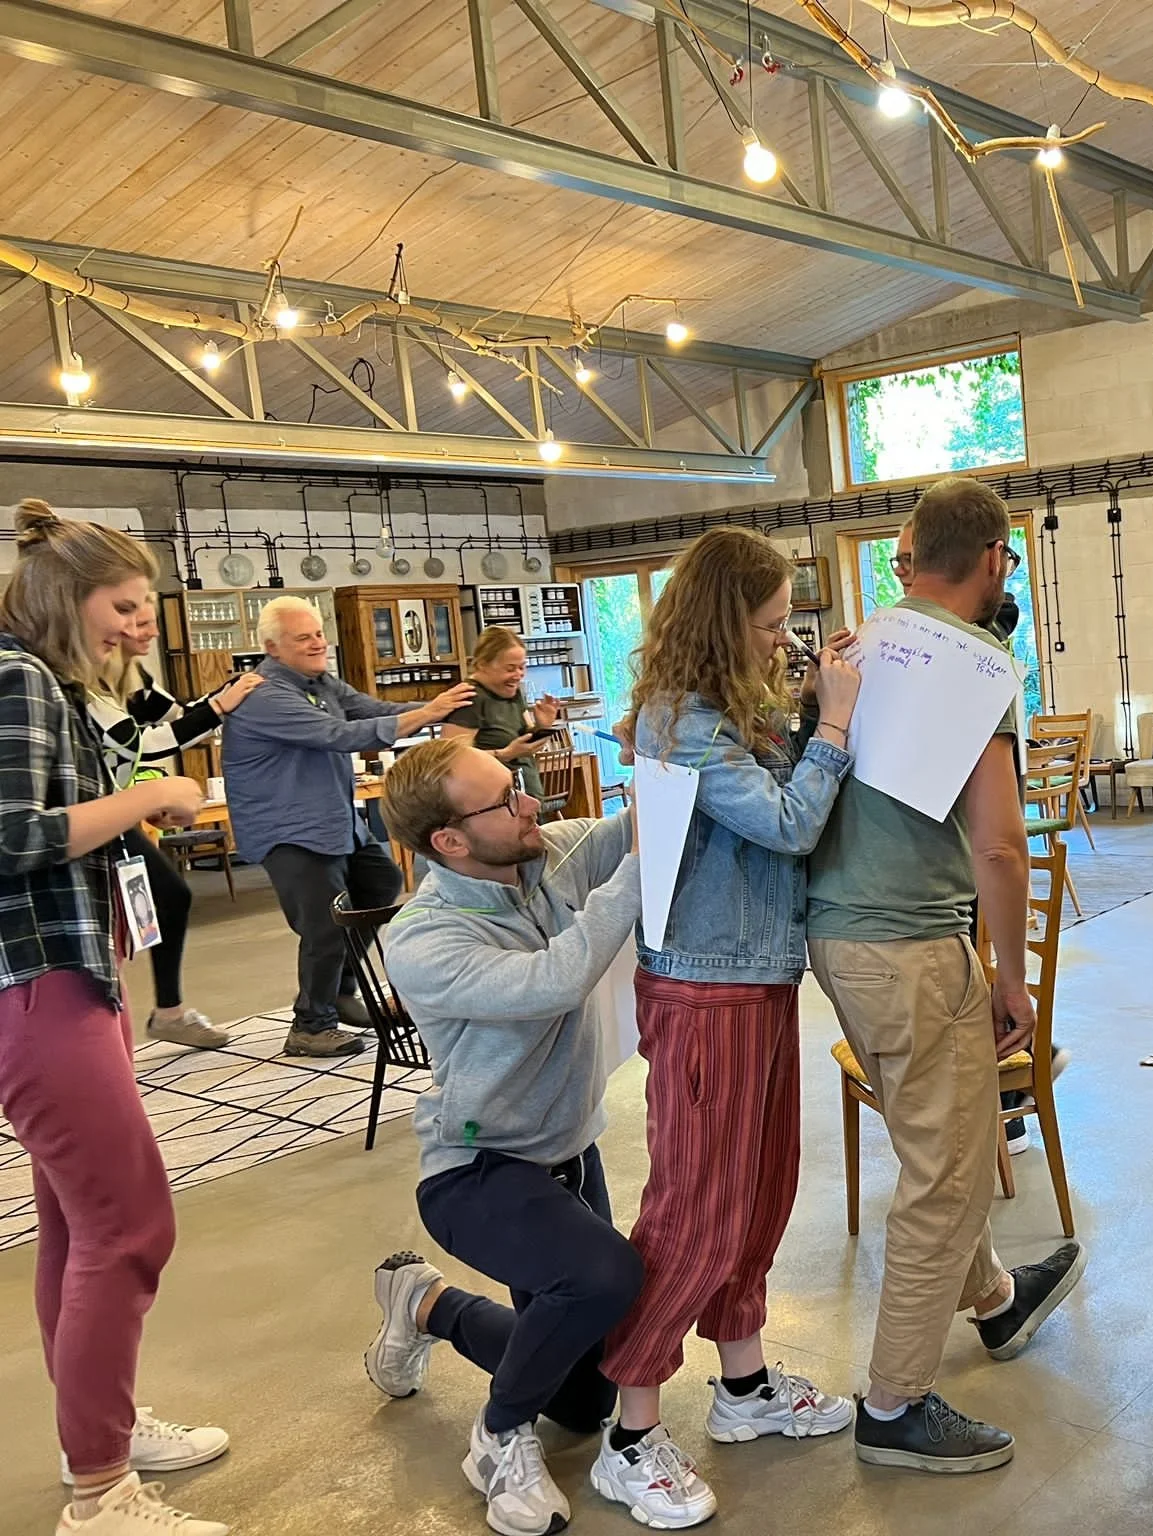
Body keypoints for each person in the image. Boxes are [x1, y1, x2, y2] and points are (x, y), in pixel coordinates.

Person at [806, 477, 1085, 1474]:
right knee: (946, 1175)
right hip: (916, 945)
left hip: (834, 942)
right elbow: (999, 846)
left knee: (937, 1138)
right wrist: (1011, 976)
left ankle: (998, 1305)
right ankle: (892, 1405)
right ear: (996, 561)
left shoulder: (849, 647)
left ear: (905, 554)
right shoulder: (979, 666)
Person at [593, 528, 863, 1527]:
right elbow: (790, 824)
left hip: (755, 977)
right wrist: (830, 727)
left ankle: (743, 1387)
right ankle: (629, 1431)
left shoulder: (728, 710)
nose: (781, 638)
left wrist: (808, 706)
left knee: (759, 1192)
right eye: (766, 623)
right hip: (703, 987)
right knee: (694, 1212)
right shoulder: (678, 719)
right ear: (720, 624)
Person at [0, 502, 232, 1536]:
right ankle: (100, 1492)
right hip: (36, 982)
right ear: (70, 598)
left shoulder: (50, 686)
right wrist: (149, 799)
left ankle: (97, 1429)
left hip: (70, 976)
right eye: (122, 605)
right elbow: (12, 837)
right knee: (130, 1223)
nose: (134, 627)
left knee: (76, 1224)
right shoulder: (19, 680)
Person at [364, 739, 647, 1535]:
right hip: (478, 1171)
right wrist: (637, 873)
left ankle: (425, 1304)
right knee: (603, 1278)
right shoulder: (423, 937)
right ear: (450, 841)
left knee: (586, 1401)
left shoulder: (540, 857)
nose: (531, 803)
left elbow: (633, 824)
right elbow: (551, 982)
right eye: (504, 798)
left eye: (516, 786)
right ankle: (496, 1438)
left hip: (565, 1153)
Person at [219, 596, 473, 1056]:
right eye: (304, 637)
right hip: (290, 830)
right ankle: (310, 1026)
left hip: (334, 821)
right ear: (273, 648)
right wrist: (428, 714)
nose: (318, 643)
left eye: (319, 633)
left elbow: (371, 711)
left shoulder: (322, 683)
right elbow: (337, 735)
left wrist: (442, 707)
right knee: (324, 924)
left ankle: (339, 992)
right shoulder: (263, 694)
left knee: (380, 881)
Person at [85, 599, 264, 1050]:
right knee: (111, 921)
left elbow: (179, 718)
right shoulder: (78, 689)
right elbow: (147, 744)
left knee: (166, 898)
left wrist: (223, 698)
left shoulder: (136, 681)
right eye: (140, 623)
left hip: (114, 811)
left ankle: (166, 1012)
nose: (152, 634)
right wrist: (220, 707)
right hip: (91, 818)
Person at [438, 626, 561, 803]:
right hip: (493, 803)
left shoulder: (513, 692)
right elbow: (450, 760)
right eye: (510, 668)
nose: (518, 675)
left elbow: (525, 740)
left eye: (522, 667)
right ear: (482, 664)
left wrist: (542, 726)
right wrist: (504, 754)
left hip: (526, 794)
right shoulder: (469, 699)